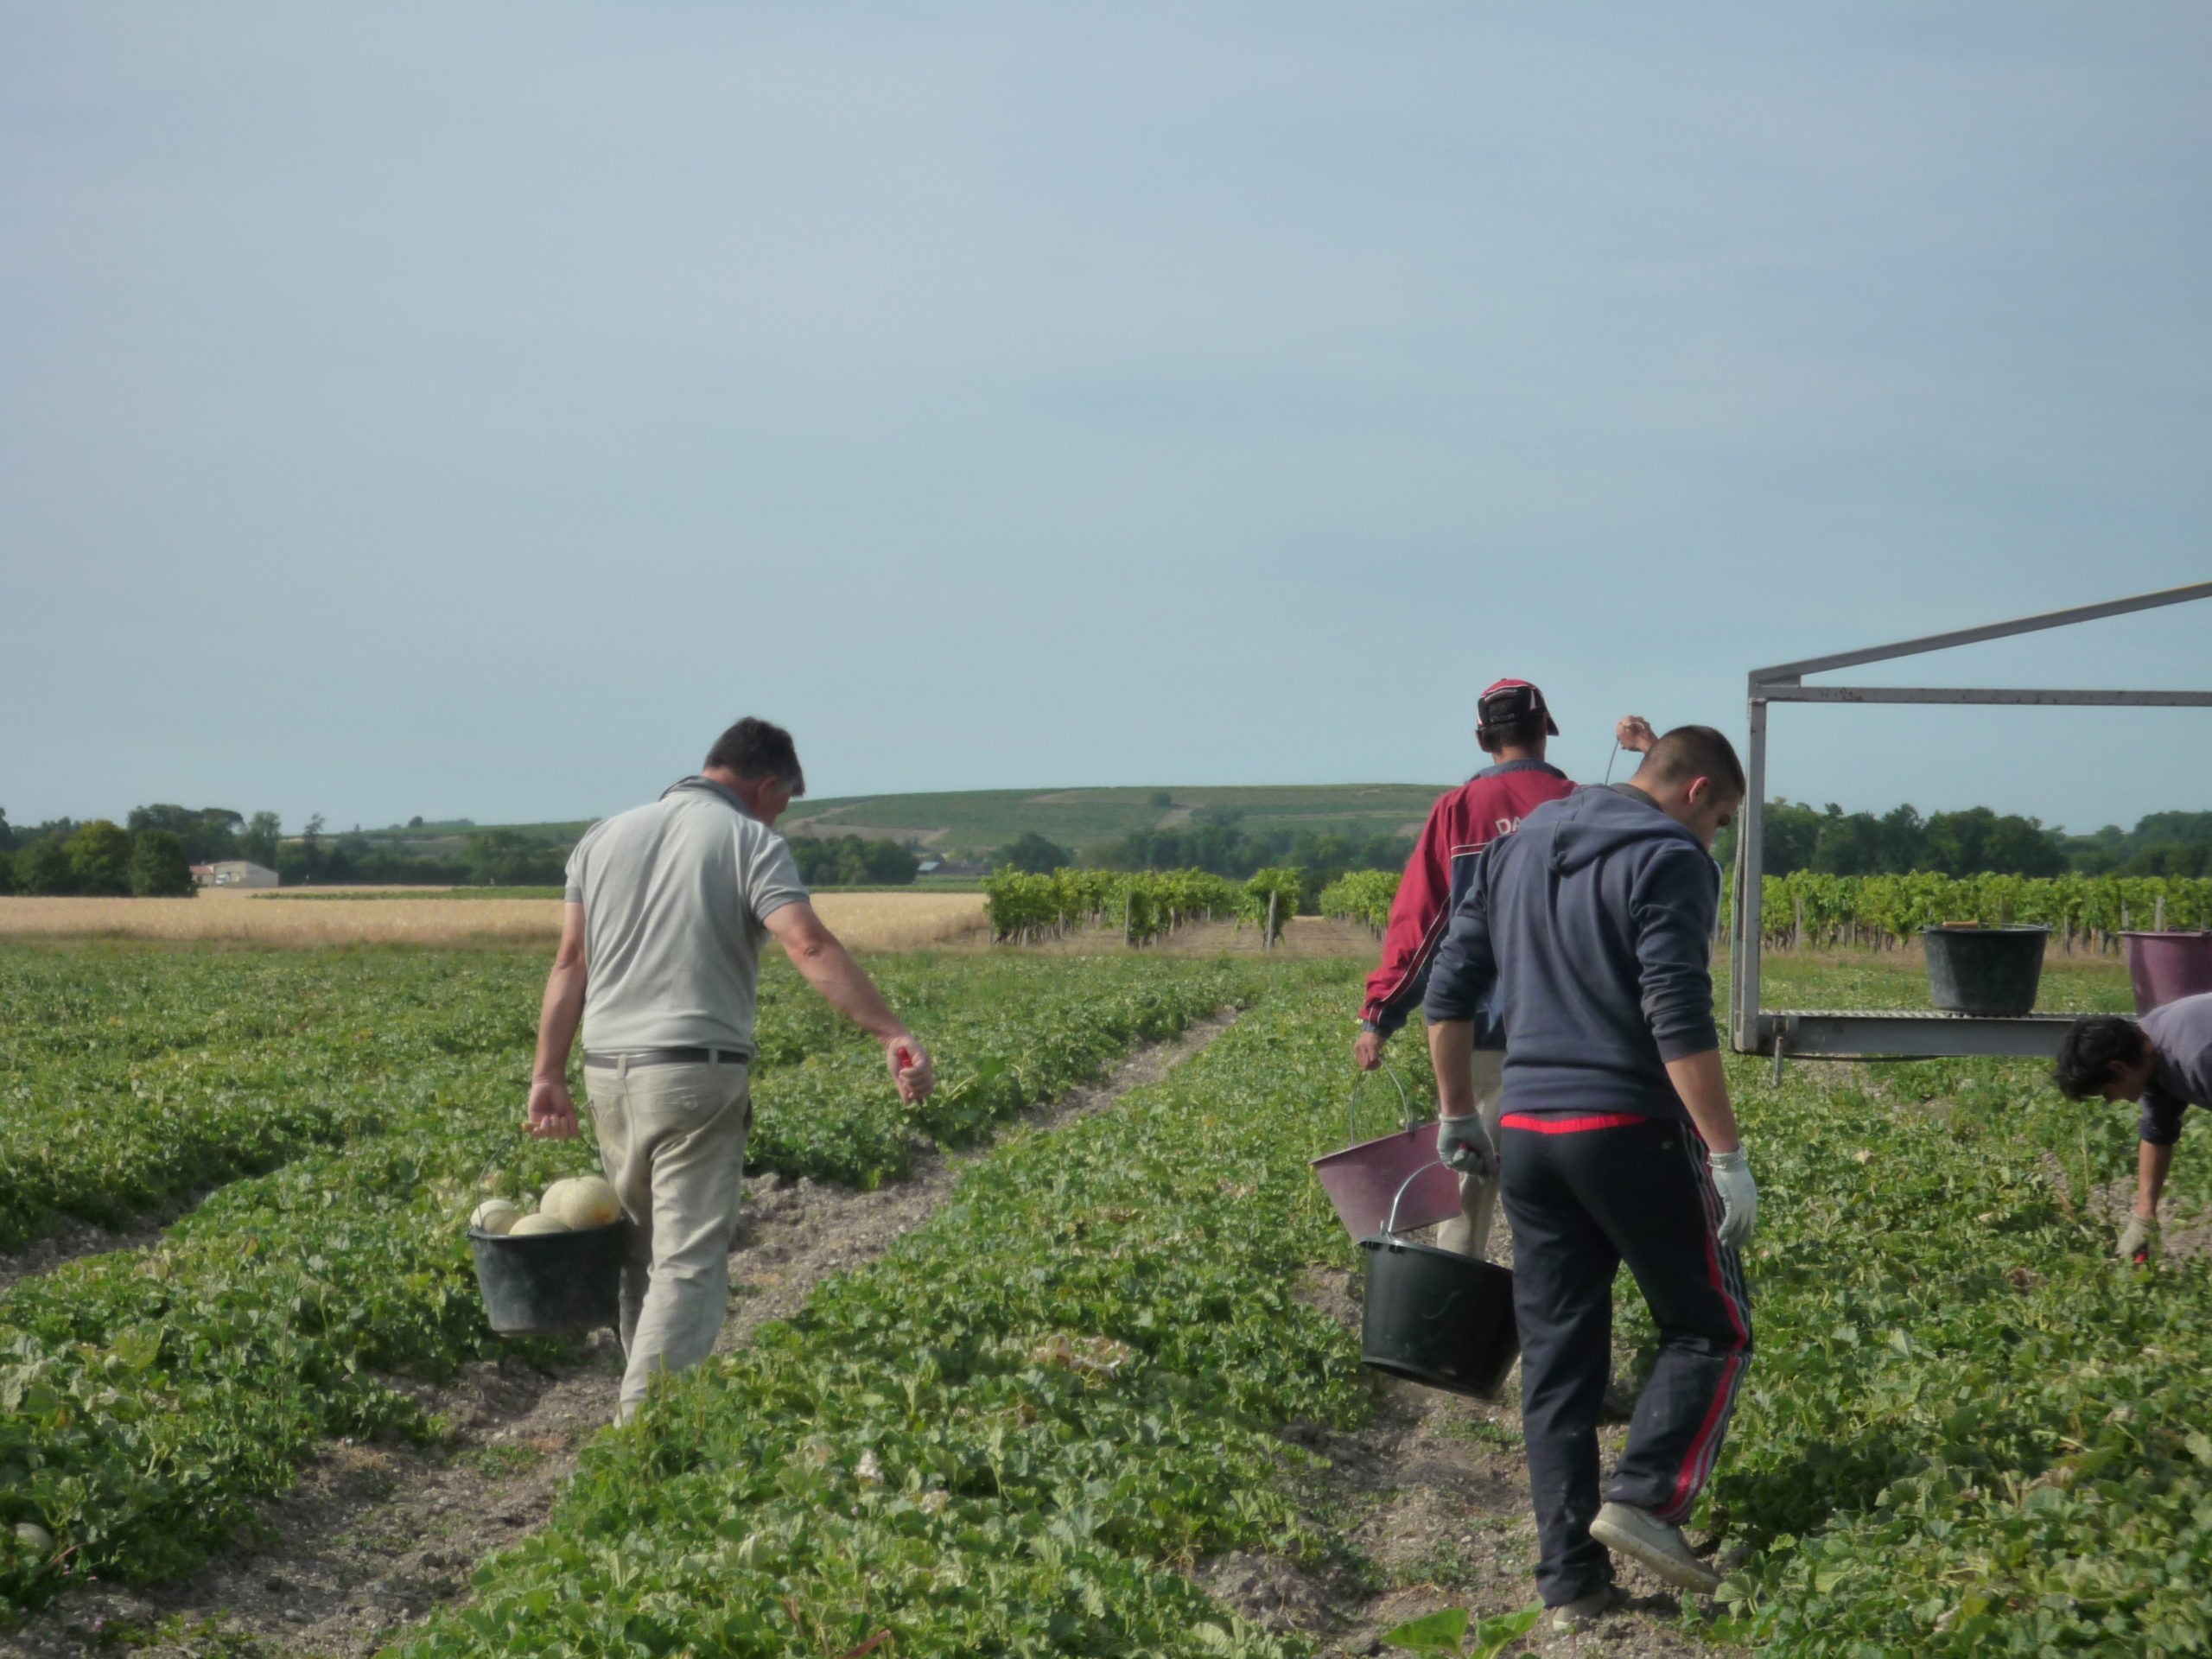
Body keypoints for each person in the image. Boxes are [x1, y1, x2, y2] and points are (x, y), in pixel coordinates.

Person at [1421, 725, 1754, 1630]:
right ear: (1696, 795)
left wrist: (1457, 1112)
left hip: (1524, 1130)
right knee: (1712, 1326)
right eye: (1720, 820)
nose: (1713, 839)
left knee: (1559, 1360)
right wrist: (1725, 1153)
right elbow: (1676, 1011)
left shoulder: (1515, 846)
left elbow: (1448, 990)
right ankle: (1644, 1499)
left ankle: (1568, 1585)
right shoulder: (1670, 858)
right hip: (1627, 1127)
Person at [524, 716, 935, 1421]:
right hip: (692, 1072)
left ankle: (643, 1399)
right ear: (766, 785)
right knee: (687, 1256)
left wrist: (546, 1074)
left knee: (640, 1249)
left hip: (606, 1071)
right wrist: (889, 1030)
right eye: (785, 803)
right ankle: (644, 1427)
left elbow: (570, 963)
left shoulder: (602, 836)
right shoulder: (750, 840)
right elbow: (807, 944)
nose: (782, 817)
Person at [1355, 680, 1654, 1259]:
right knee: (1562, 1204)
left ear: (1482, 739)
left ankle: (1456, 1336)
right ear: (1546, 732)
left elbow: (1419, 929)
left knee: (1467, 1195)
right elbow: (1669, 848)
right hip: (1577, 1043)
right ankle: (1545, 1336)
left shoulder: (1457, 812)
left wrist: (1380, 1017)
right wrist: (1651, 749)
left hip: (1478, 1036)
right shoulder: (1585, 805)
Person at [2054, 994, 2212, 1263]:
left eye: (2106, 1092)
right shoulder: (2147, 1052)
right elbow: (2157, 1133)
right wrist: (2144, 1215)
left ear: (2119, 1067)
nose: (2110, 1100)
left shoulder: (2199, 1057)